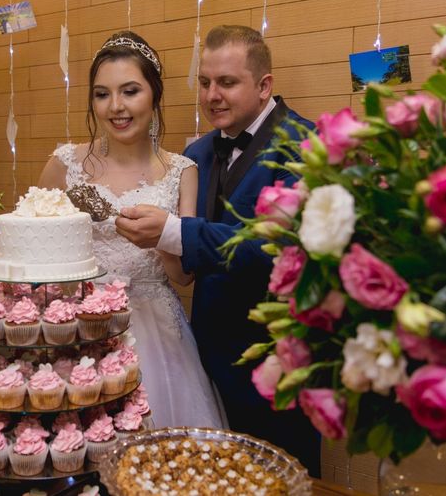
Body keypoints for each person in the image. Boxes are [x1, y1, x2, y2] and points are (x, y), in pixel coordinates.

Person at [115, 25, 321, 474]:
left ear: (264, 85)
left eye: (227, 82)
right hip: (204, 362)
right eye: (205, 82)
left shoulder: (307, 147)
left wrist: (171, 231)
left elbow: (275, 250)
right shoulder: (198, 153)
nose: (212, 95)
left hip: (277, 368)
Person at [38, 30, 225, 429]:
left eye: (130, 91)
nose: (116, 107)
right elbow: (34, 253)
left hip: (154, 331)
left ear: (154, 96)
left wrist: (160, 237)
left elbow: (183, 277)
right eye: (102, 94)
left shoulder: (182, 171)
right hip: (78, 327)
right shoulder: (64, 163)